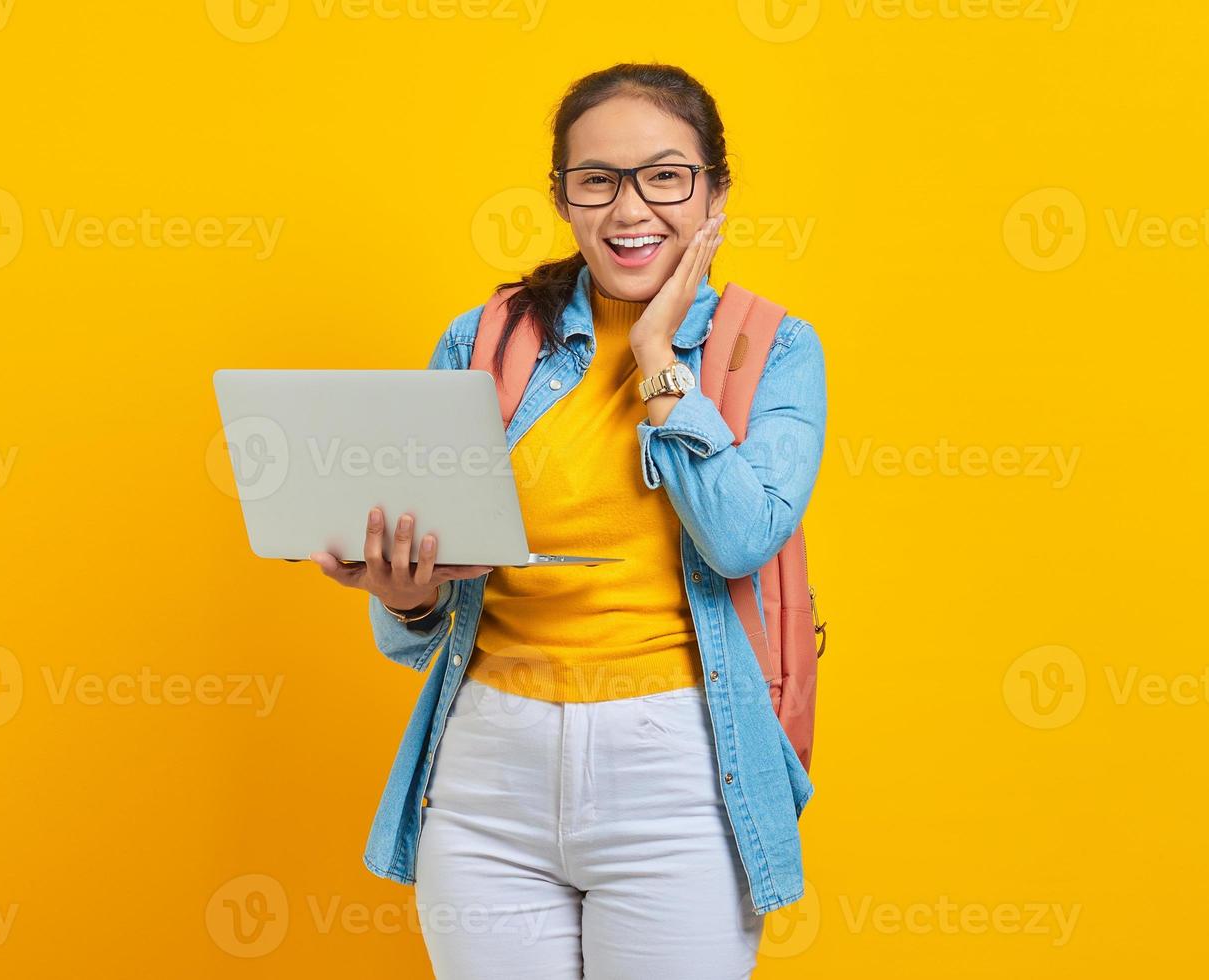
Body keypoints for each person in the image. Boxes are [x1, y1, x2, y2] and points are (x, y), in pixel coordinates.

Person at [310, 62, 827, 980]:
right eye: (598, 180)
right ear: (563, 197)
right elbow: (411, 637)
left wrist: (661, 355)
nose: (630, 208)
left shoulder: (770, 347)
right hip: (486, 772)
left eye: (665, 176)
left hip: (681, 774)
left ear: (714, 189)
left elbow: (743, 539)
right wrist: (406, 595)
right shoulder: (481, 344)